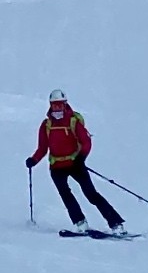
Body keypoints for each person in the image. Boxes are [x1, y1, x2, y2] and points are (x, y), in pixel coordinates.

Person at [26, 90, 125, 233]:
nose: (57, 108)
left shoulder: (73, 121)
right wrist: (33, 160)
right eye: (54, 105)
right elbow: (42, 148)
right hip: (56, 166)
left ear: (65, 104)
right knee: (66, 195)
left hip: (75, 164)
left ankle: (116, 223)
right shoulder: (46, 125)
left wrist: (81, 158)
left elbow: (86, 142)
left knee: (91, 194)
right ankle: (80, 223)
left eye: (60, 105)